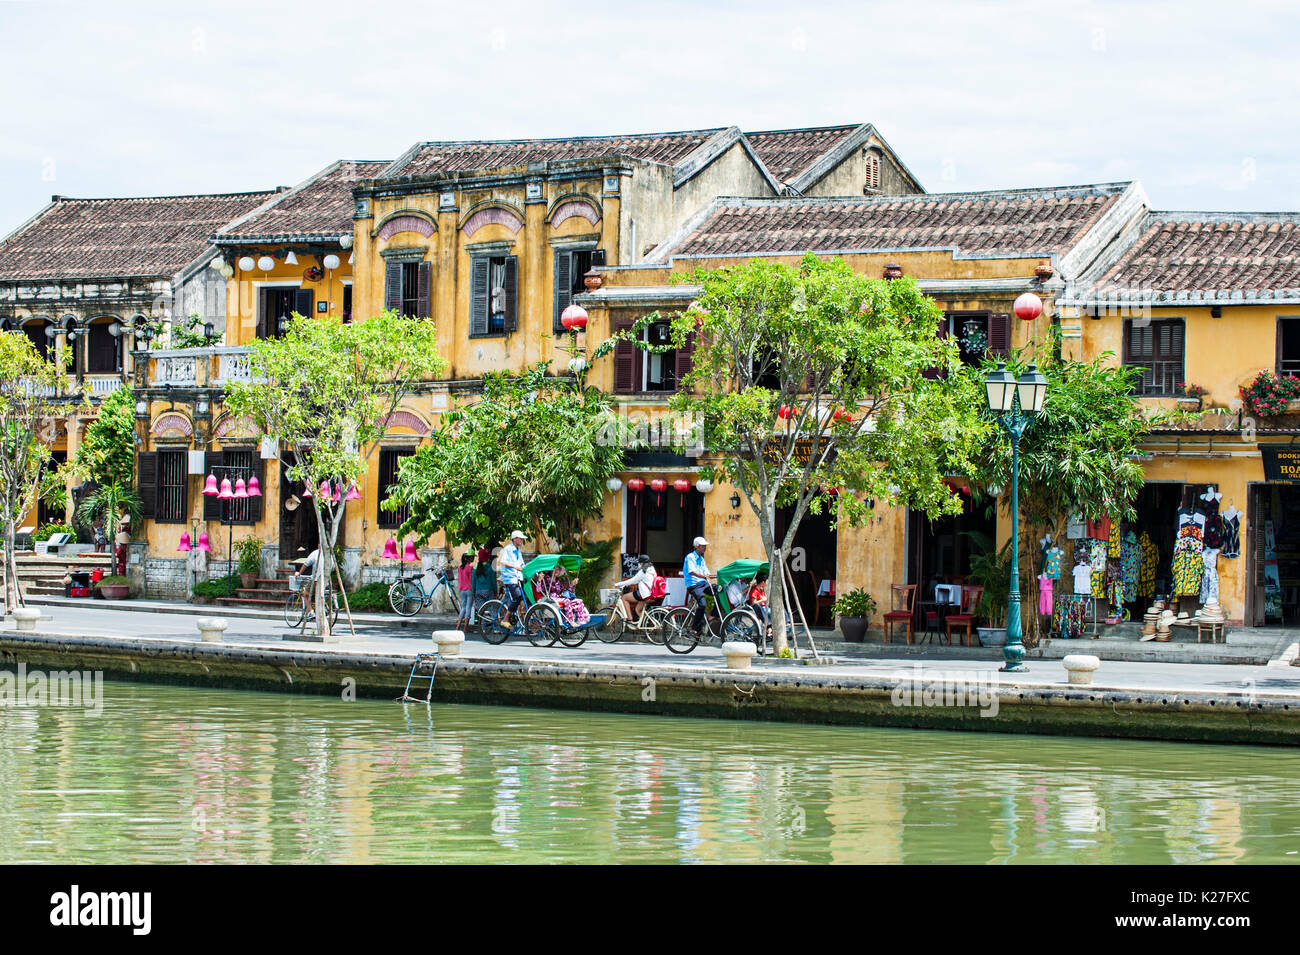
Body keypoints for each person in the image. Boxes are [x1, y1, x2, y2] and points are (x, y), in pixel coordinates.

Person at [683, 536, 717, 634]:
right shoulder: (690, 557)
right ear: (697, 546)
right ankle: (695, 628)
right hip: (693, 585)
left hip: (703, 584)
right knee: (702, 605)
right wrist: (703, 576)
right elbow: (692, 571)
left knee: (718, 590)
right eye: (703, 546)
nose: (704, 548)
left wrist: (712, 576)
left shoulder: (701, 559)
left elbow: (706, 571)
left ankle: (711, 615)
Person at [614, 554, 657, 622]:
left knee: (624, 597)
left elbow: (633, 580)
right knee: (638, 610)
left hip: (644, 594)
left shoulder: (643, 571)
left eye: (640, 563)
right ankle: (649, 624)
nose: (639, 564)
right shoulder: (652, 569)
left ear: (642, 563)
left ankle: (629, 618)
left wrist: (619, 584)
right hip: (651, 594)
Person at [499, 531, 527, 628]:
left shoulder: (518, 550)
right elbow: (503, 563)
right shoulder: (507, 549)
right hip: (510, 578)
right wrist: (516, 567)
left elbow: (522, 564)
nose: (522, 540)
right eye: (520, 538)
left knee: (526, 596)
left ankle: (523, 618)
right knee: (518, 597)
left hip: (518, 577)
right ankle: (505, 619)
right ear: (515, 539)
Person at [295, 547, 322, 618]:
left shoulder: (315, 553)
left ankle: (311, 612)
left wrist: (299, 573)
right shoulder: (329, 554)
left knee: (305, 594)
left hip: (316, 579)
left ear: (319, 544)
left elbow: (306, 564)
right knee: (317, 594)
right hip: (326, 579)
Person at [473, 547, 497, 618]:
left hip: (478, 591)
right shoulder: (490, 567)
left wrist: (473, 593)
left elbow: (473, 581)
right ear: (487, 557)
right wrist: (495, 592)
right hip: (489, 590)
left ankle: (483, 627)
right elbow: (493, 581)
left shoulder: (475, 567)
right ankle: (494, 624)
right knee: (492, 609)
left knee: (481, 611)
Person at [456, 551, 475, 631]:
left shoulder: (459, 567)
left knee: (463, 607)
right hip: (469, 589)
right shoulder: (470, 568)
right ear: (469, 558)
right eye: (472, 557)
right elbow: (472, 580)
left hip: (462, 589)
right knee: (468, 607)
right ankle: (465, 627)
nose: (473, 558)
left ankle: (458, 626)